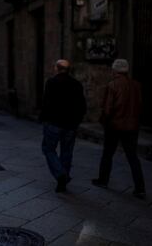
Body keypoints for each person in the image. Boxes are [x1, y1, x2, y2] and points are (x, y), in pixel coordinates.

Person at [92, 59, 145, 199]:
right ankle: (140, 188)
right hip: (132, 126)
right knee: (132, 156)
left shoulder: (113, 85)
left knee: (108, 154)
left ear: (114, 71)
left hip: (114, 126)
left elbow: (108, 108)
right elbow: (140, 105)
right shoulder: (137, 85)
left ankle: (103, 180)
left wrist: (103, 121)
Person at [40, 59, 86, 192]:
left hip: (53, 123)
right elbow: (82, 105)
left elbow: (46, 102)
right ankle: (63, 181)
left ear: (57, 68)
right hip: (70, 124)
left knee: (48, 149)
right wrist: (77, 120)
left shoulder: (52, 82)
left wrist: (44, 118)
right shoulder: (76, 84)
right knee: (67, 152)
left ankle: (60, 174)